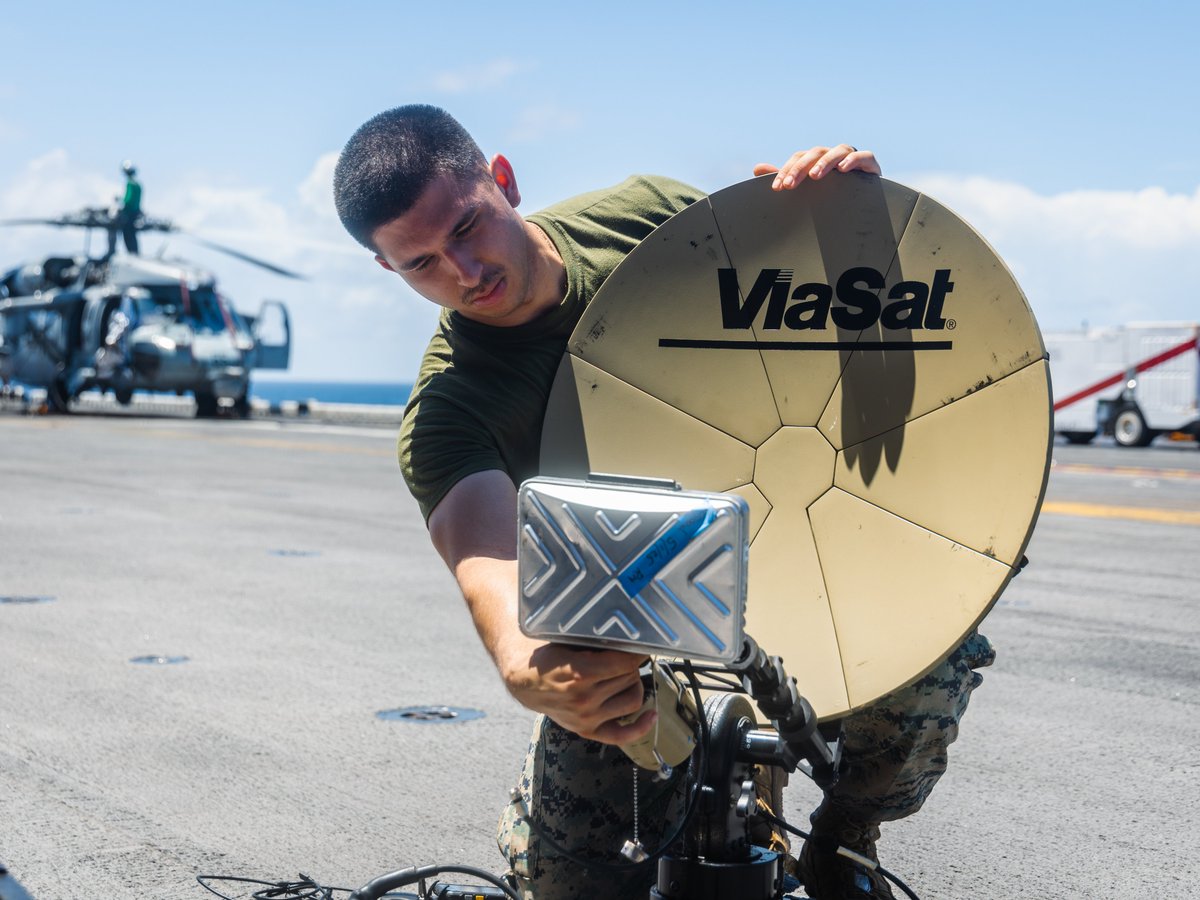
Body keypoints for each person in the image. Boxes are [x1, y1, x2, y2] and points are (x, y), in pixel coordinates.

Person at [332, 105, 994, 900]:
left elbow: (818, 328)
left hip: (811, 567)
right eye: (422, 264)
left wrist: (846, 226)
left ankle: (844, 840)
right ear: (388, 269)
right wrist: (524, 663)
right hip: (645, 636)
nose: (464, 271)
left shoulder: (650, 221)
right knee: (569, 886)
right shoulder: (451, 407)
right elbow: (483, 558)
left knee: (933, 651)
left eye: (468, 226)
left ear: (502, 179)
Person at [107, 160, 142, 257]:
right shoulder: (138, 185)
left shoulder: (130, 184)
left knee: (127, 233)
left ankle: (131, 254)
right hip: (135, 213)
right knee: (132, 234)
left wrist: (120, 200)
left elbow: (128, 199)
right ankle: (134, 253)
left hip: (128, 214)